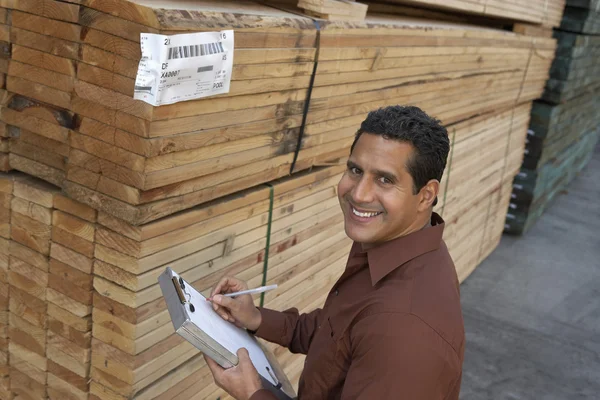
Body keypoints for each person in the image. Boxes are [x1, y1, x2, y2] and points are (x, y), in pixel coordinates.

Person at [205, 105, 465, 400]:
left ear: (426, 195)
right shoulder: (390, 246)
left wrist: (253, 393)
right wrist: (256, 319)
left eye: (385, 179)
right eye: (355, 170)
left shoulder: (403, 331)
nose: (358, 194)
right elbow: (336, 333)